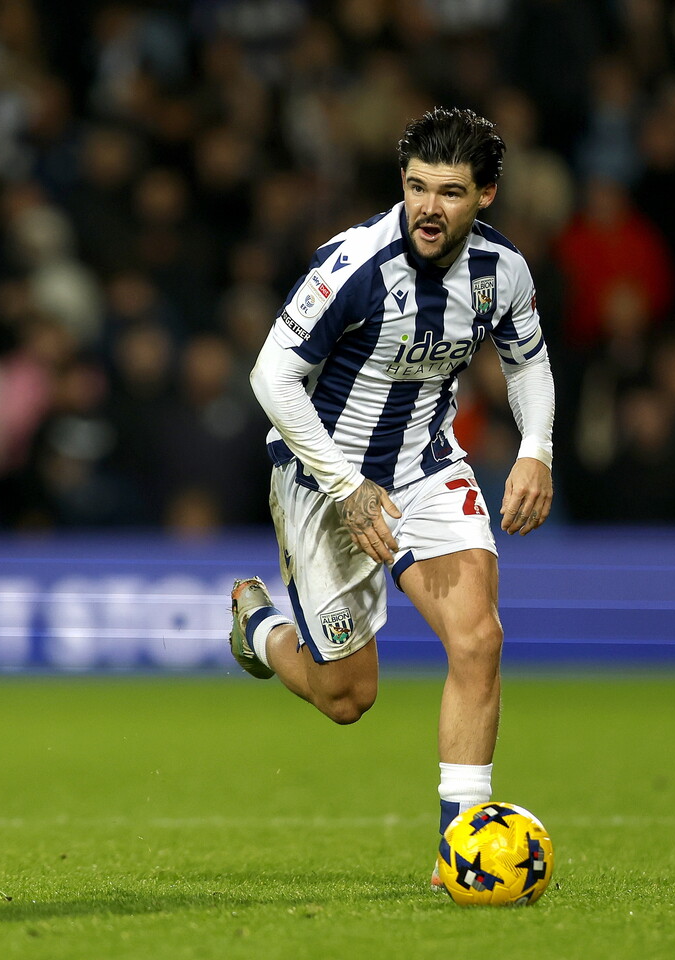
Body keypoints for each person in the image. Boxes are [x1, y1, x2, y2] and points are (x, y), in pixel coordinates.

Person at [228, 106, 555, 885]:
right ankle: (262, 626)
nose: (428, 209)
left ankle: (462, 851)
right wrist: (345, 487)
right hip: (323, 477)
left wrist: (536, 450)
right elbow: (270, 377)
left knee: (479, 638)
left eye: (449, 192)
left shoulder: (502, 271)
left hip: (425, 466)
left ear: (487, 197)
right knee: (348, 697)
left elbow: (527, 362)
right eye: (416, 188)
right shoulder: (353, 266)